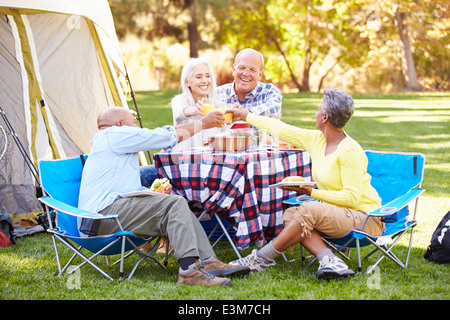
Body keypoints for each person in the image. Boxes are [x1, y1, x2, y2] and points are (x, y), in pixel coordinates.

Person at [78, 106, 249, 287]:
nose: (137, 126)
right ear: (121, 124)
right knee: (174, 203)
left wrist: (153, 194)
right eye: (133, 122)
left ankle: (209, 262)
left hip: (110, 213)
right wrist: (203, 123)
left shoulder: (113, 143)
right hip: (100, 219)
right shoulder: (113, 134)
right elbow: (162, 136)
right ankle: (189, 272)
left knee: (177, 203)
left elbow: (122, 188)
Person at [226, 88, 384, 280]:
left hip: (365, 219)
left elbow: (351, 197)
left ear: (324, 117)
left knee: (308, 209)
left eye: (318, 109)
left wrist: (311, 192)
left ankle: (260, 258)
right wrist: (246, 115)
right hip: (338, 213)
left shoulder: (350, 151)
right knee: (291, 214)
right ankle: (330, 260)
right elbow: (282, 129)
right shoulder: (318, 140)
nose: (316, 113)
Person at [170, 57, 222, 151]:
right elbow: (179, 113)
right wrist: (195, 110)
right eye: (198, 77)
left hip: (211, 162)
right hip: (184, 162)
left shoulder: (218, 105)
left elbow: (227, 134)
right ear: (187, 82)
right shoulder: (179, 100)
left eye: (208, 76)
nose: (205, 81)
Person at [216, 48, 282, 118]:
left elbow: (275, 109)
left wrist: (246, 113)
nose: (246, 74)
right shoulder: (217, 93)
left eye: (252, 70)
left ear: (260, 75)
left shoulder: (269, 91)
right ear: (234, 69)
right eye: (242, 68)